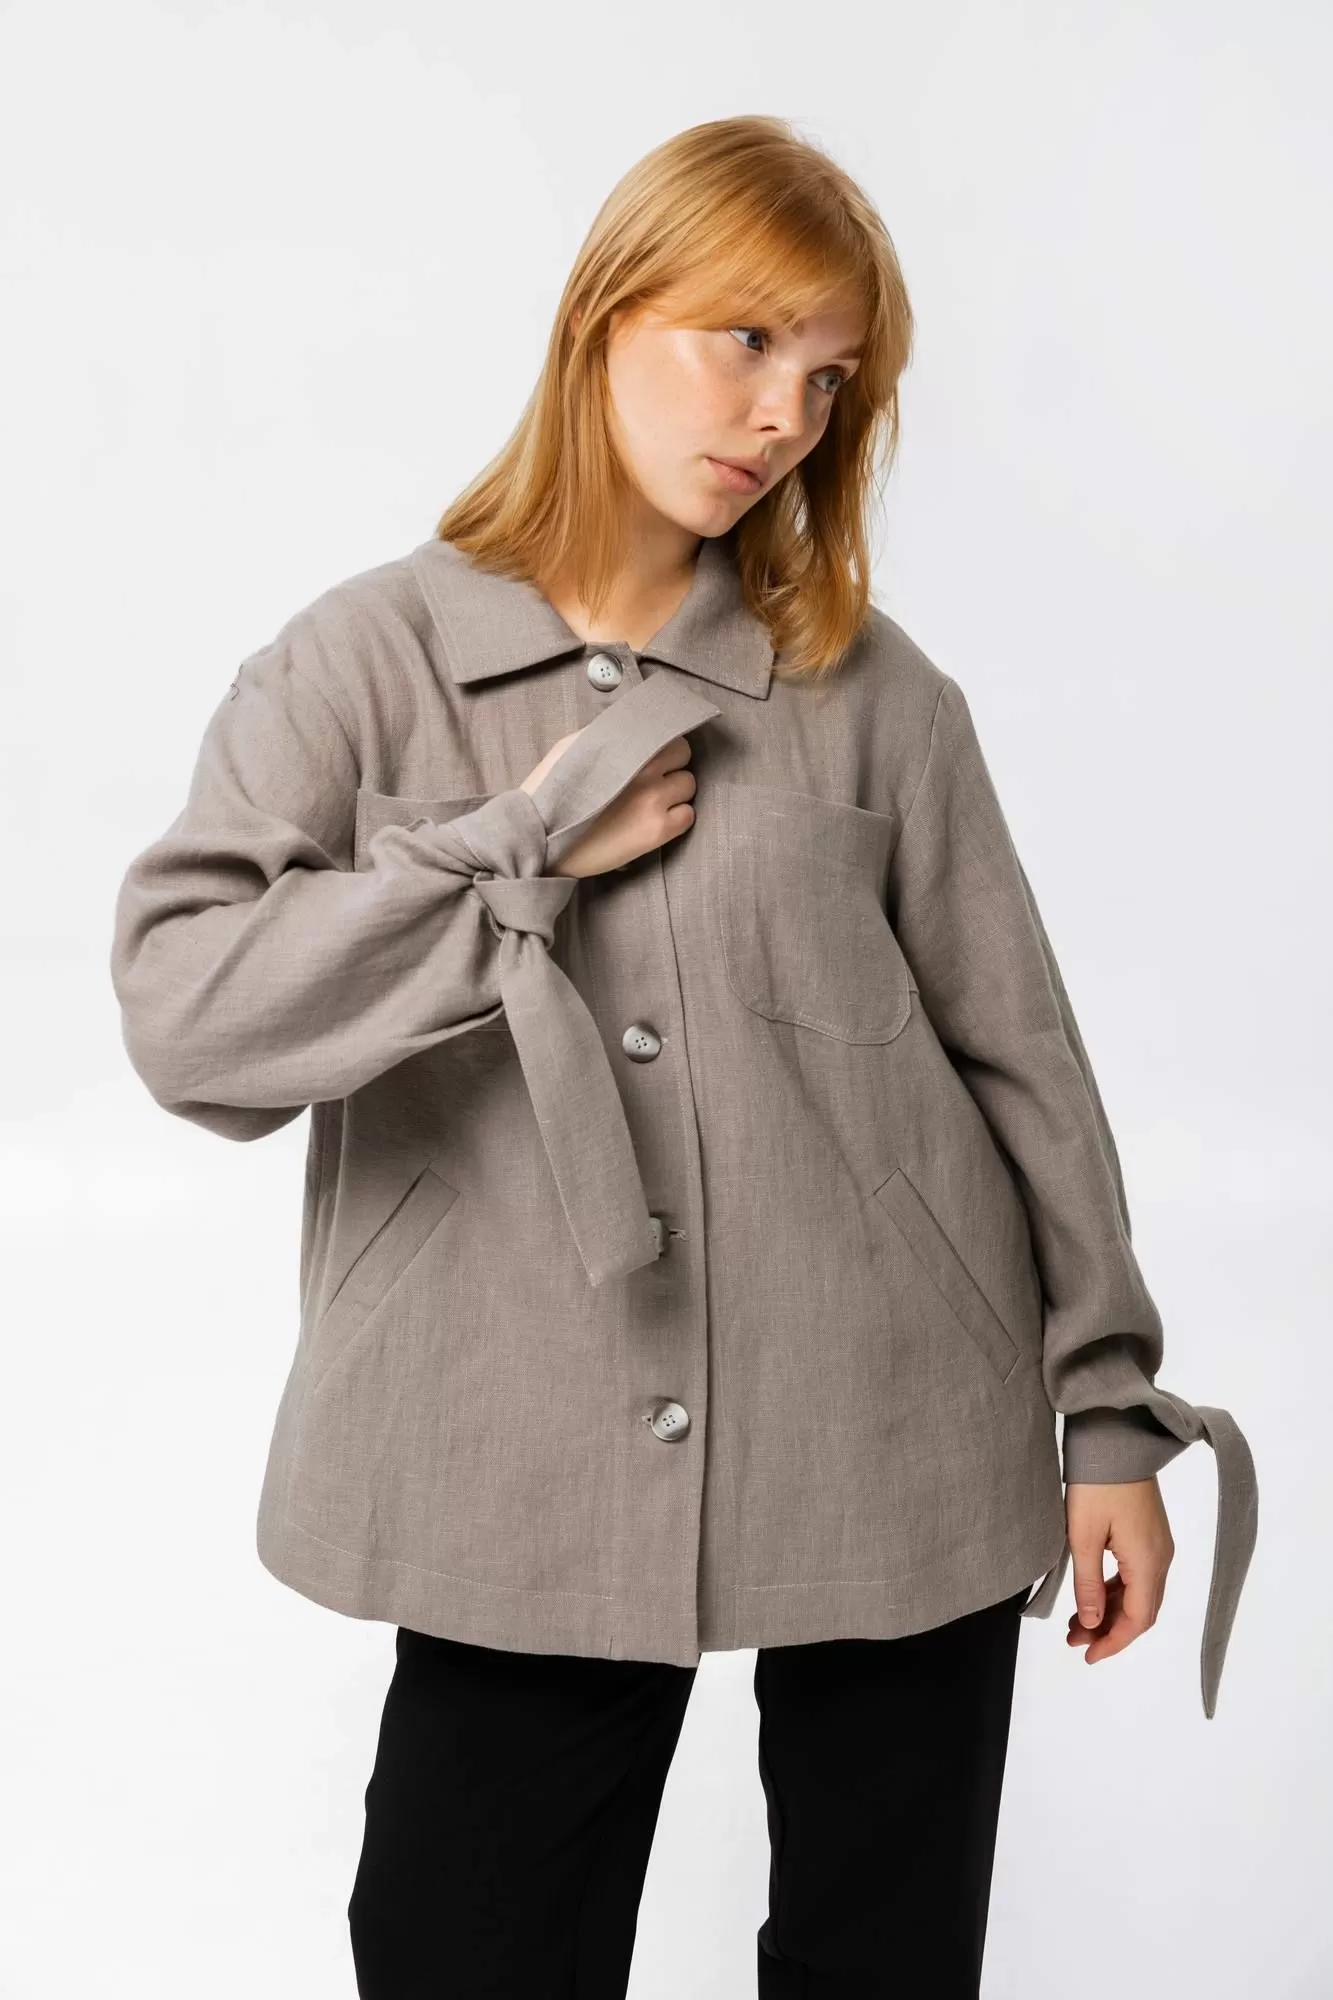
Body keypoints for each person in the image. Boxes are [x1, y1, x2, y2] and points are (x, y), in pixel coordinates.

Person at [109, 115, 1258, 1998]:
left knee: (886, 1965)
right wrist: (518, 850)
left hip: (896, 1426)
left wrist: (1112, 1412)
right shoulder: (362, 666)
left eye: (831, 379)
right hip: (509, 1450)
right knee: (463, 1947)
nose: (785, 414)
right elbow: (185, 1012)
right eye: (748, 340)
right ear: (604, 312)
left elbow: (1022, 1065)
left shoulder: (878, 699)